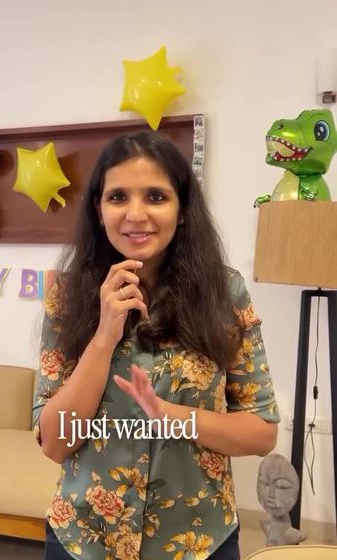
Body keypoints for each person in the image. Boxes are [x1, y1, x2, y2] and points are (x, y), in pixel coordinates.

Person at [32, 130, 280, 560]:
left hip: (197, 541)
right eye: (118, 197)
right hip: (85, 539)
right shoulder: (67, 296)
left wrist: (171, 417)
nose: (136, 214)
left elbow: (261, 432)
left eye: (156, 197)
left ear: (182, 210)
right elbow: (55, 443)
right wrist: (104, 336)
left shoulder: (224, 293)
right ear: (98, 209)